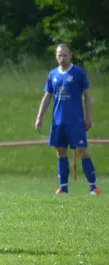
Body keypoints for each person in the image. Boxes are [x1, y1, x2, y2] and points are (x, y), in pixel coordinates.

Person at [35, 44, 100, 195]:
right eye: (59, 55)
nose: (62, 58)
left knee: (83, 151)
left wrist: (88, 117)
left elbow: (87, 95)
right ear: (55, 57)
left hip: (75, 121)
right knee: (60, 152)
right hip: (58, 121)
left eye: (65, 55)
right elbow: (47, 97)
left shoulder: (78, 73)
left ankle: (93, 187)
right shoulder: (52, 74)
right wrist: (39, 117)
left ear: (70, 55)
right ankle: (63, 188)